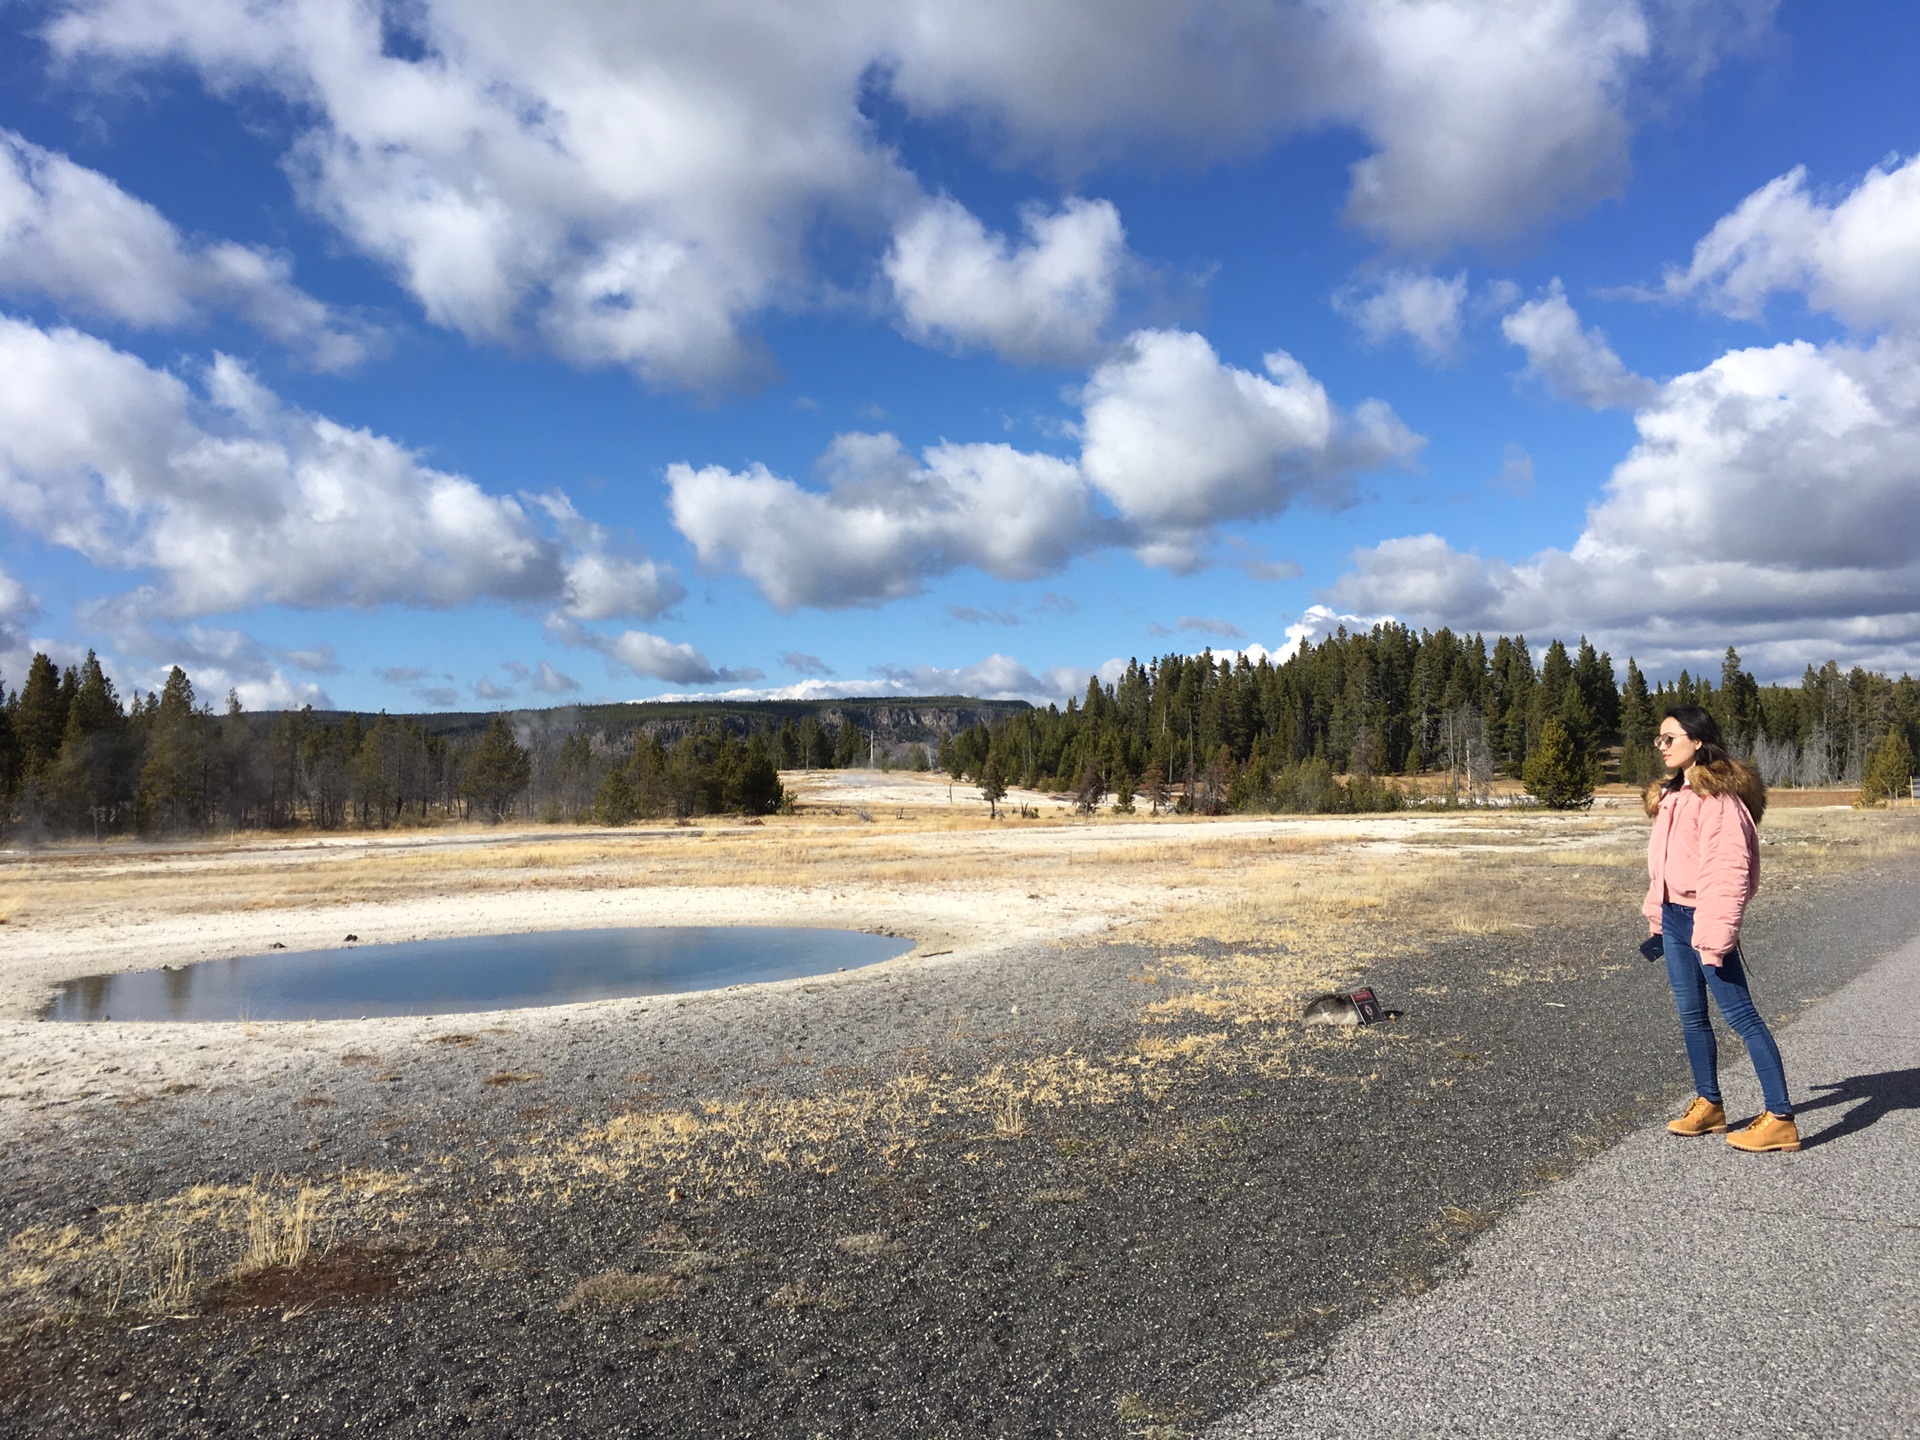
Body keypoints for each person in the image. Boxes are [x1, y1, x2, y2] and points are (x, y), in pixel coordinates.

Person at [1643, 704, 1798, 1153]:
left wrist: (1714, 933)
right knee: (1691, 1016)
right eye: (1659, 738)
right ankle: (1710, 1104)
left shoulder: (1720, 801)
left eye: (1670, 738)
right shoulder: (1673, 796)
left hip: (1706, 918)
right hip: (1674, 918)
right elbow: (1664, 869)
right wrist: (1658, 913)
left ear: (1698, 741)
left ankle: (1781, 1118)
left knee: (1742, 1017)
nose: (1663, 746)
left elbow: (1729, 873)